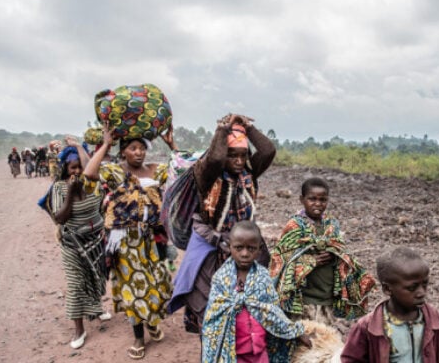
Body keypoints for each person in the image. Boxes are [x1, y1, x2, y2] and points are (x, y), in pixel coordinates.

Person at [168, 114, 276, 335]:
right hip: (215, 249)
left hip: (245, 248)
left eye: (242, 155)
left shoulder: (249, 174)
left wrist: (248, 127)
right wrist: (223, 129)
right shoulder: (206, 175)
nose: (238, 161)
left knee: (249, 308)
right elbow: (215, 159)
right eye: (232, 155)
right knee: (211, 313)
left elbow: (267, 151)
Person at [84, 124, 178, 360]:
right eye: (133, 148)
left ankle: (153, 321)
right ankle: (138, 336)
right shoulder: (115, 172)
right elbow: (89, 174)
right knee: (133, 288)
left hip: (153, 239)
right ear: (123, 151)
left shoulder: (157, 170)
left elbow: (186, 171)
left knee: (159, 285)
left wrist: (172, 145)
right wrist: (106, 143)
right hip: (125, 241)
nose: (139, 153)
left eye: (141, 149)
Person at [201, 221, 312, 362]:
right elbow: (213, 321)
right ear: (230, 247)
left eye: (251, 249)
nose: (245, 254)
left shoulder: (263, 277)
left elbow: (273, 312)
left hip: (259, 353)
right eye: (239, 248)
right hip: (233, 354)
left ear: (259, 249)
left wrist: (295, 333)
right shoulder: (221, 279)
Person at [269, 177, 375, 325]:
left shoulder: (331, 224)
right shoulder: (295, 226)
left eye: (323, 200)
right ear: (302, 199)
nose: (318, 204)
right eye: (312, 199)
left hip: (327, 294)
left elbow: (341, 249)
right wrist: (311, 261)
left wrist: (334, 254)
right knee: (304, 335)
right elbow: (281, 260)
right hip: (304, 297)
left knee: (324, 334)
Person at [340, 247, 439, 363]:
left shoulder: (436, 321)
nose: (421, 293)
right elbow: (350, 360)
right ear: (387, 289)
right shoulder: (368, 327)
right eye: (412, 288)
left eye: (425, 284)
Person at [49, 138, 110, 349]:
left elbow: (103, 206)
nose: (77, 172)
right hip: (73, 243)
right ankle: (79, 329)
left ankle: (97, 309)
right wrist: (72, 195)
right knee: (76, 284)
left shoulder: (94, 184)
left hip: (95, 240)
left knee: (96, 277)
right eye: (73, 168)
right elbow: (60, 218)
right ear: (65, 169)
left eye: (80, 167)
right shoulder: (59, 188)